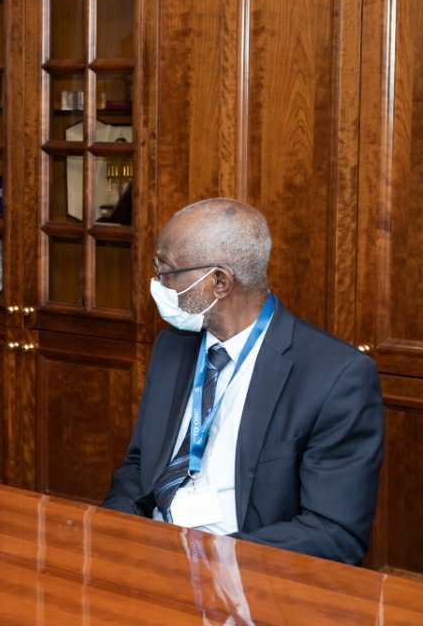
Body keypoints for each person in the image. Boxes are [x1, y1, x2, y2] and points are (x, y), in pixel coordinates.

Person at [102, 198, 384, 564]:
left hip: (245, 570)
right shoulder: (172, 346)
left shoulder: (336, 376)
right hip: (152, 554)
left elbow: (334, 532)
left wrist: (210, 559)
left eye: (167, 271)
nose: (158, 284)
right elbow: (139, 466)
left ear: (219, 282)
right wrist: (116, 534)